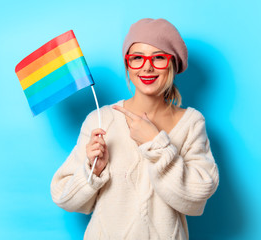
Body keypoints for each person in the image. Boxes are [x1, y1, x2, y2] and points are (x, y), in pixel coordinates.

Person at [50, 18, 219, 240]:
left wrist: (156, 145)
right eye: (137, 58)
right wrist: (94, 170)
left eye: (158, 57)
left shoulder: (191, 123)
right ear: (128, 64)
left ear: (173, 64)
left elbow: (196, 197)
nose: (147, 67)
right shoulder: (101, 120)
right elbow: (64, 197)